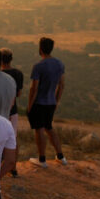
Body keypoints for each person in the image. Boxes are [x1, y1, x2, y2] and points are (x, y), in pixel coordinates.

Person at [27, 37, 67, 168]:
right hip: (51, 102)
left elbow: (34, 88)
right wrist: (56, 101)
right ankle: (61, 156)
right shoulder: (59, 64)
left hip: (39, 102)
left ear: (40, 49)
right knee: (49, 128)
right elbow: (61, 85)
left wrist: (29, 105)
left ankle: (42, 159)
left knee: (39, 130)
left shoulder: (38, 66)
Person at [0, 48, 23, 177]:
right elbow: (18, 94)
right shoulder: (18, 74)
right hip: (12, 111)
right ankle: (13, 167)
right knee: (13, 138)